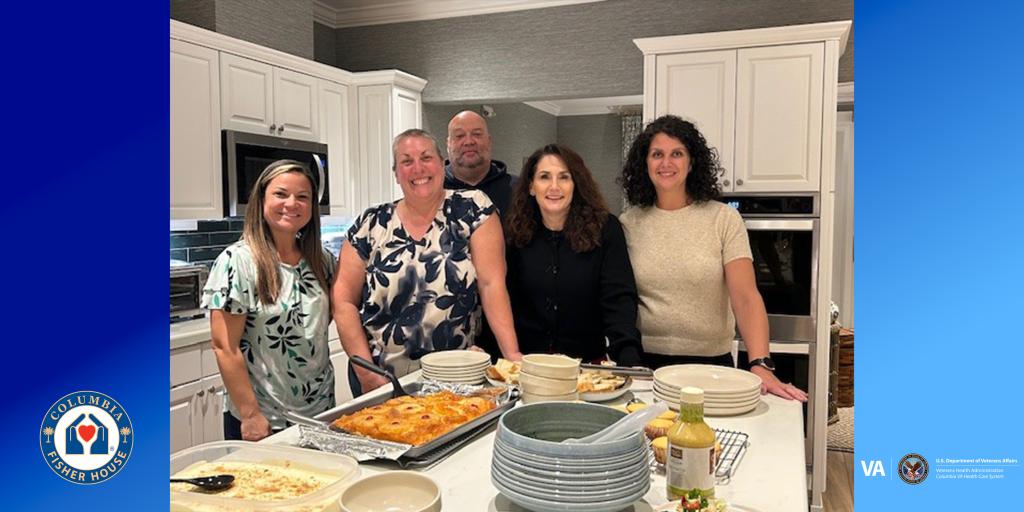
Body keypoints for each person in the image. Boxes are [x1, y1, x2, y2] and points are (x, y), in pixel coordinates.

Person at [619, 115, 807, 401]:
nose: (666, 163)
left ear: (692, 162)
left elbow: (745, 297)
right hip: (644, 367)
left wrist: (760, 363)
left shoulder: (724, 219)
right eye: (657, 154)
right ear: (644, 164)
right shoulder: (628, 223)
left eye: (677, 154)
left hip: (711, 367)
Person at [334, 129, 524, 396]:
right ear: (396, 172)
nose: (417, 168)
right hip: (380, 379)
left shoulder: (472, 209)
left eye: (426, 157)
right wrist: (365, 371)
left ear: (441, 163)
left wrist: (511, 354)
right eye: (406, 161)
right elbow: (343, 300)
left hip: (455, 377)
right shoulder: (370, 223)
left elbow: (491, 284)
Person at [203, 160, 337, 441]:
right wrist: (250, 414)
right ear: (261, 199)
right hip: (264, 419)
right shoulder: (237, 262)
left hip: (320, 413)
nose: (292, 203)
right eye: (281, 194)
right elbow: (224, 347)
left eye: (303, 197)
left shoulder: (321, 261)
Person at [504, 144, 643, 366]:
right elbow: (502, 298)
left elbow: (618, 299)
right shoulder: (513, 233)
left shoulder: (606, 229)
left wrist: (629, 358)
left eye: (564, 177)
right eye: (544, 177)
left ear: (576, 184)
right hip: (527, 365)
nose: (554, 186)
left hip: (587, 366)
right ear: (531, 186)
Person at [444, 110, 518, 216]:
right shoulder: (431, 190)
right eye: (460, 136)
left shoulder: (519, 190)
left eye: (477, 134)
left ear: (489, 141)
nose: (469, 142)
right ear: (448, 144)